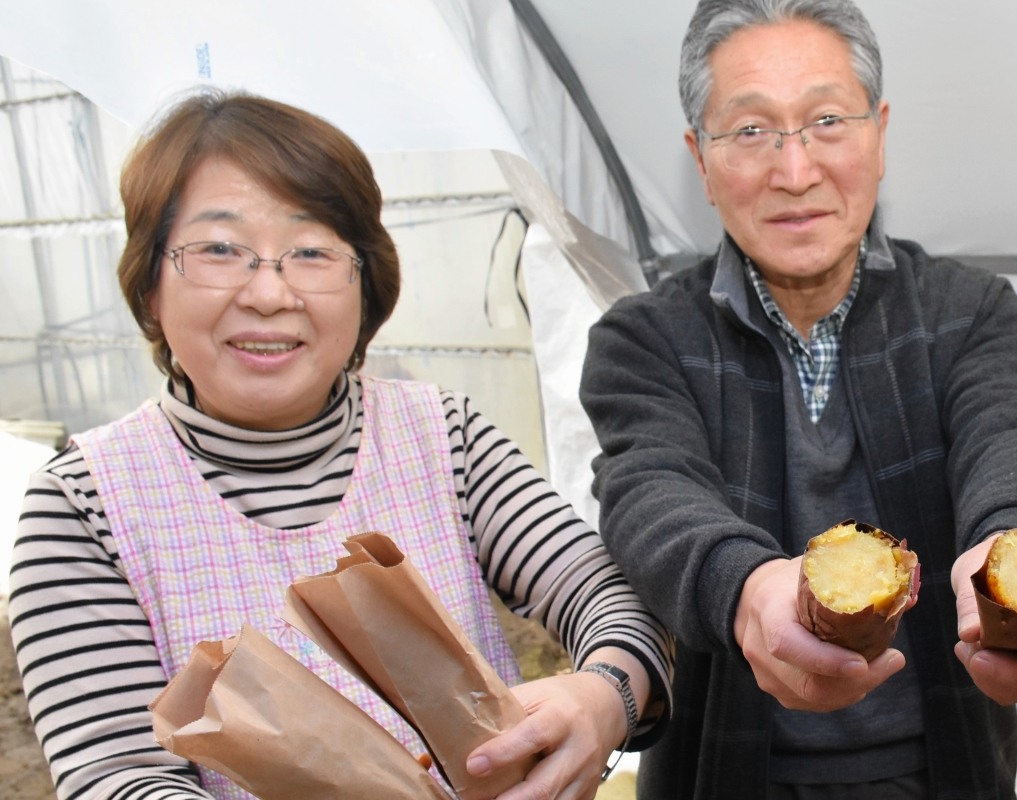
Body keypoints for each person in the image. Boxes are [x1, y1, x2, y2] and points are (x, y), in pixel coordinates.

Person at [8, 89, 672, 800]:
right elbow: (117, 777)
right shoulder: (82, 507)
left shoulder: (442, 436)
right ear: (149, 286)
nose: (269, 294)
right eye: (220, 249)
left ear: (366, 283)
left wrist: (605, 693)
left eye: (311, 251)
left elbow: (605, 593)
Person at [578, 1, 1017, 798]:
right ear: (701, 159)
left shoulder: (969, 311)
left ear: (879, 134)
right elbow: (651, 492)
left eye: (827, 120)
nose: (795, 172)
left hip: (946, 772)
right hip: (723, 774)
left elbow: (1010, 437)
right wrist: (748, 590)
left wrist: (1014, 549)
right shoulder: (645, 338)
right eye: (750, 130)